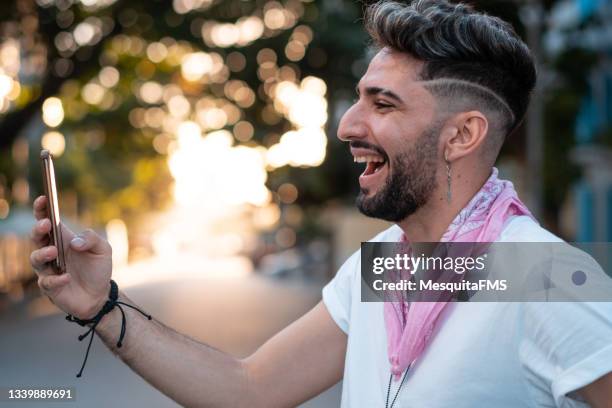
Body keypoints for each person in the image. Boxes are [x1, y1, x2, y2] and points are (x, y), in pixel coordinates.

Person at [30, 1, 612, 407]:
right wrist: (102, 307)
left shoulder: (545, 276)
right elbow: (250, 389)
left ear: (462, 135)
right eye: (358, 99)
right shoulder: (386, 262)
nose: (347, 126)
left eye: (383, 105)